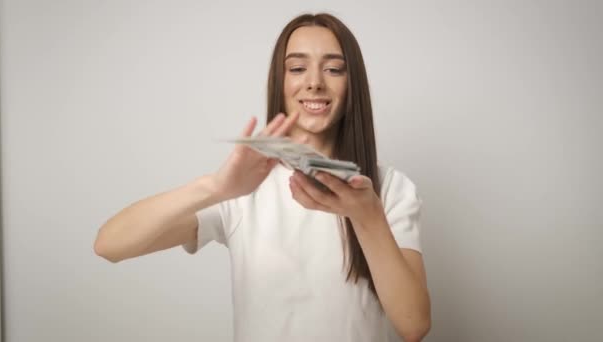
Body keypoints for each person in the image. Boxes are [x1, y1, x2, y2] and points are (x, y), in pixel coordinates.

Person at [94, 13, 431, 342]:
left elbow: (413, 325)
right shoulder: (244, 186)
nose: (314, 82)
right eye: (297, 68)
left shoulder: (390, 188)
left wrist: (366, 214)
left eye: (333, 69)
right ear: (280, 83)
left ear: (351, 83)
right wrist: (215, 187)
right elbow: (110, 245)